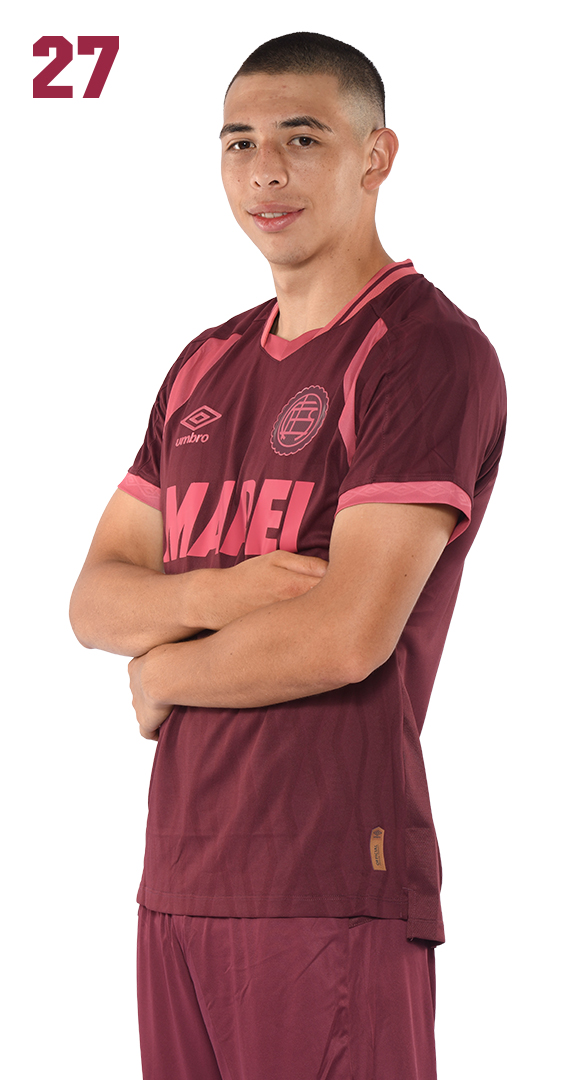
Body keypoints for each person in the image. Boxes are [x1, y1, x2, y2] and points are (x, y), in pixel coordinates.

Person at [70, 31, 506, 1080]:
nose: (265, 170)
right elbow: (94, 600)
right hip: (178, 876)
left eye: (302, 139)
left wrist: (163, 671)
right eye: (240, 143)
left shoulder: (421, 349)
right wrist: (233, 591)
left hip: (328, 875)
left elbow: (345, 635)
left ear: (375, 155)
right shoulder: (204, 364)